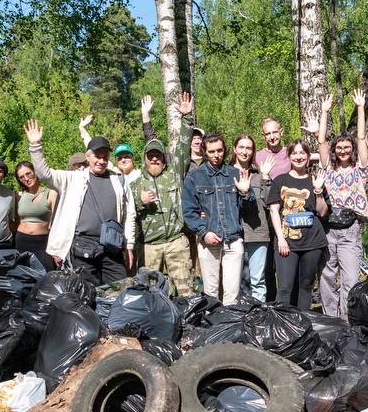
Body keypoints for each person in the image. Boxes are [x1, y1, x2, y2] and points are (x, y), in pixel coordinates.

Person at [25, 120, 135, 284]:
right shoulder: (73, 178)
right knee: (86, 295)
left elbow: (130, 215)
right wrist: (35, 145)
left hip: (113, 245)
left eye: (105, 157)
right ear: (88, 157)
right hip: (82, 245)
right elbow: (44, 173)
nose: (101, 161)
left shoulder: (120, 181)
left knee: (118, 291)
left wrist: (130, 246)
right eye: (97, 156)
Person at [316, 89, 368, 318]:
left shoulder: (361, 170)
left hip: (350, 230)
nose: (343, 150)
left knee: (350, 279)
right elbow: (321, 140)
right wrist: (324, 112)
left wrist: (360, 108)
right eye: (339, 147)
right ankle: (331, 318)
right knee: (327, 277)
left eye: (346, 147)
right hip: (329, 229)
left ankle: (347, 320)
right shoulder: (328, 169)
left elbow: (360, 138)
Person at [182, 131, 254, 304]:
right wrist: (204, 232)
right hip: (208, 241)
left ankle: (230, 327)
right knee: (211, 292)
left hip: (233, 240)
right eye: (212, 151)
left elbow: (248, 206)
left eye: (220, 150)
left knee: (232, 292)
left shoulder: (235, 174)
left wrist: (245, 193)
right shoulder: (194, 177)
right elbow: (188, 212)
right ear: (205, 152)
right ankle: (212, 326)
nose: (216, 155)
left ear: (225, 150)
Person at [136, 94, 194, 295]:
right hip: (150, 246)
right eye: (150, 156)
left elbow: (184, 148)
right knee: (150, 294)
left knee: (187, 290)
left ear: (163, 158)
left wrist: (186, 119)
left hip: (176, 242)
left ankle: (191, 323)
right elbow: (126, 210)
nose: (154, 158)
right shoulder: (136, 181)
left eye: (158, 155)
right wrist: (140, 200)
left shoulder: (173, 173)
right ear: (144, 159)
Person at [267, 139, 328, 310]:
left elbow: (322, 212)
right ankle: (282, 327)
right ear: (289, 156)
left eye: (303, 153)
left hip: (312, 242)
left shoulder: (315, 179)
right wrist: (281, 239)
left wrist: (318, 191)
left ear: (308, 157)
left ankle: (303, 324)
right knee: (285, 288)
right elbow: (274, 211)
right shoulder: (280, 180)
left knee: (306, 286)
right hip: (286, 241)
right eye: (295, 153)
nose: (299, 156)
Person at [231, 133, 273, 300]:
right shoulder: (226, 173)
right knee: (234, 281)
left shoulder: (259, 173)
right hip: (233, 233)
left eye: (249, 148)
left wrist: (265, 177)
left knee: (257, 280)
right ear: (234, 149)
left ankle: (259, 318)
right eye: (241, 147)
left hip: (257, 232)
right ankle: (237, 316)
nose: (245, 151)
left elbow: (269, 201)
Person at [13, 161, 57, 270]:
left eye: (28, 173)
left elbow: (56, 224)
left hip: (42, 243)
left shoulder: (51, 194)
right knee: (23, 276)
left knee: (45, 275)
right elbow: (17, 221)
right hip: (21, 242)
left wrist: (56, 249)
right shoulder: (19, 196)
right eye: (21, 177)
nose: (26, 178)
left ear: (35, 172)